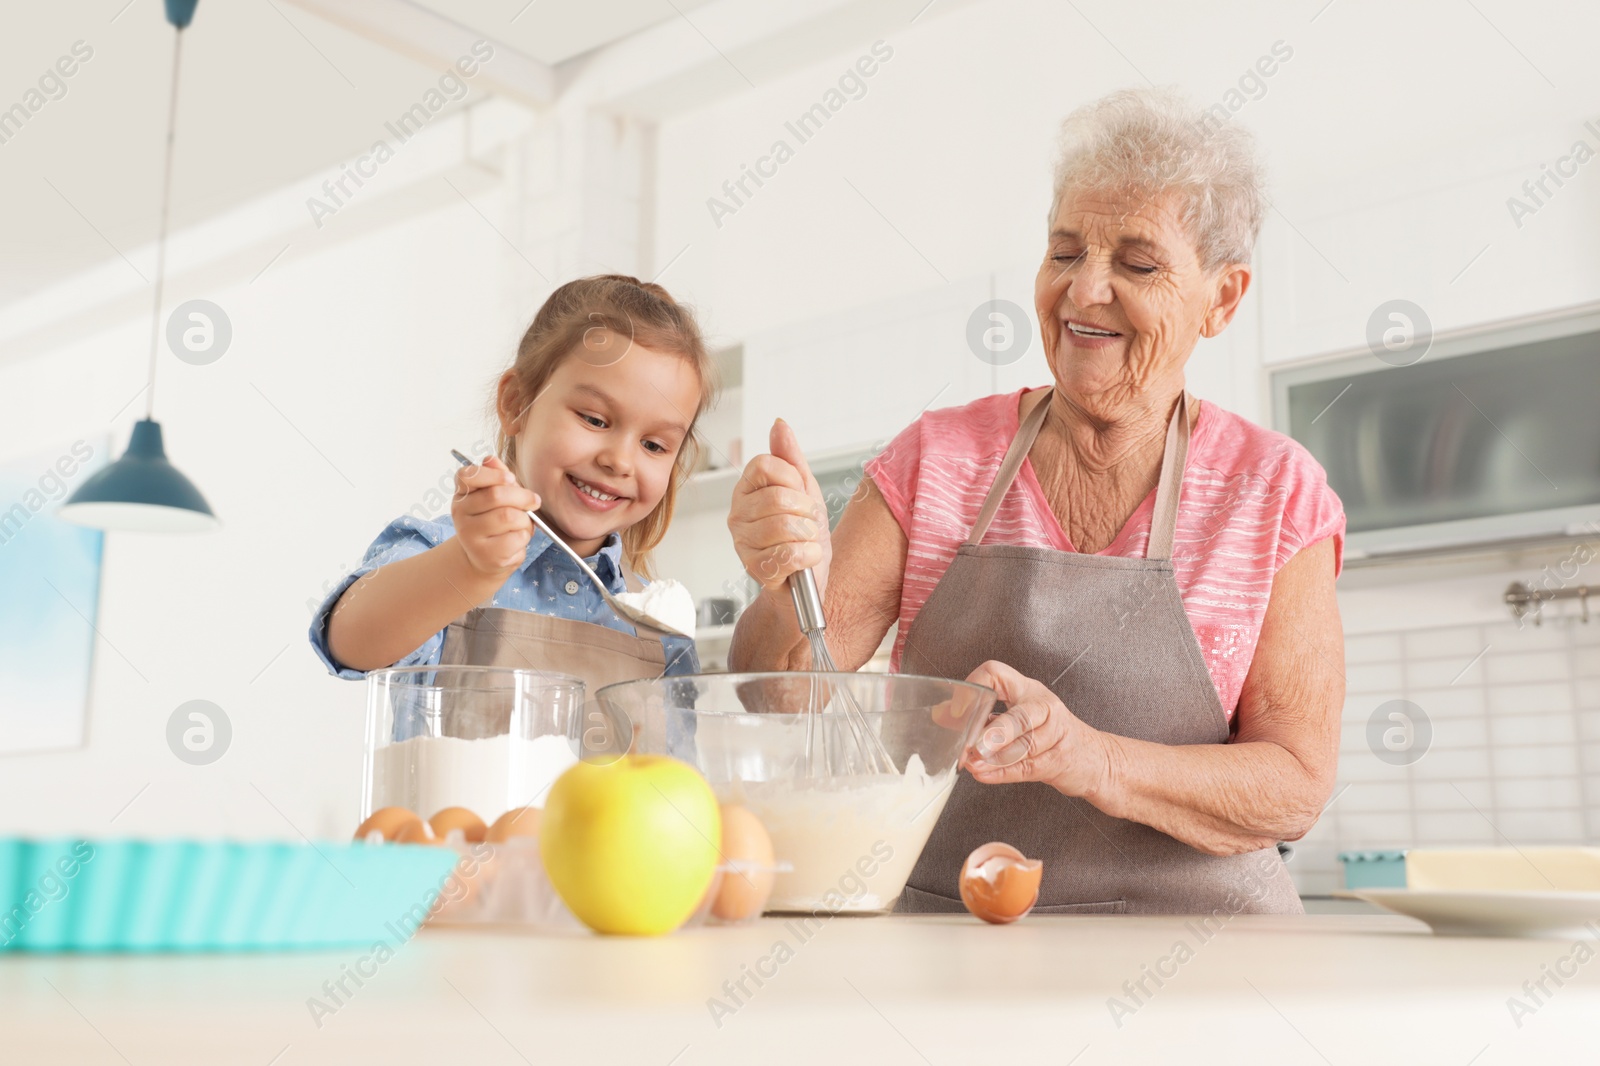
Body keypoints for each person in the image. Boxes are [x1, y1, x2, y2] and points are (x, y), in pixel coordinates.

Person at [726, 89, 1347, 915]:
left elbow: (1295, 784)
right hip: (952, 949)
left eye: (1136, 263)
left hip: (1204, 959)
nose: (1085, 291)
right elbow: (782, 693)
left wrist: (1094, 761)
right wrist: (782, 571)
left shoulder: (1273, 492)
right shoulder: (936, 460)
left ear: (1222, 299)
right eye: (1064, 253)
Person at [310, 275, 713, 721]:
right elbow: (349, 641)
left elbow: (678, 770)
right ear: (516, 403)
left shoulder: (658, 620)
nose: (620, 461)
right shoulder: (441, 551)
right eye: (595, 419)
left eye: (654, 446)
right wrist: (468, 567)